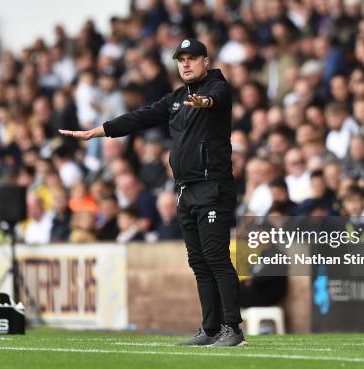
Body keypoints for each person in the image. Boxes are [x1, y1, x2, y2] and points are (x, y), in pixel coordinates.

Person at [60, 38, 246, 347]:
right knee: (199, 261)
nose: (185, 63)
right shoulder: (177, 98)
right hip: (186, 190)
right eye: (180, 59)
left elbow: (216, 99)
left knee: (215, 256)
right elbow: (141, 116)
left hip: (213, 186)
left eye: (191, 58)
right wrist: (99, 130)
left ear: (205, 60)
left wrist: (204, 102)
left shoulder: (217, 88)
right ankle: (211, 328)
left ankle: (233, 330)